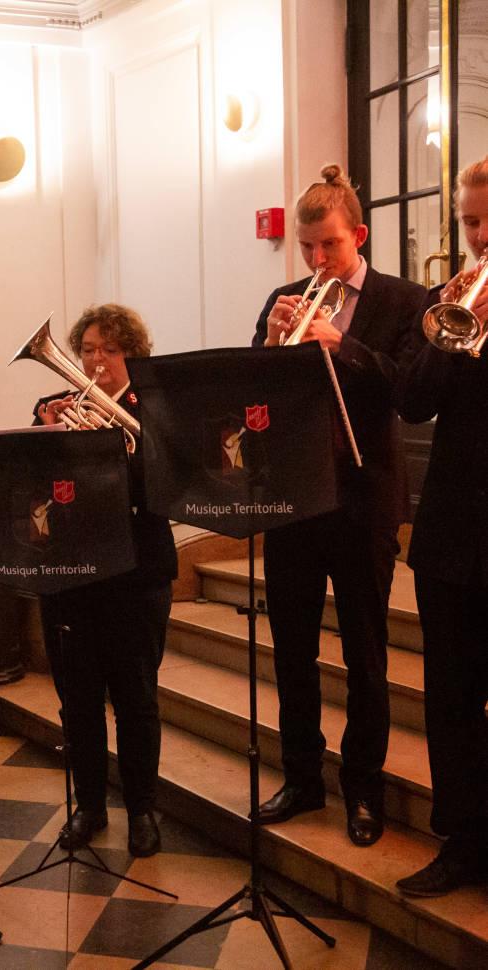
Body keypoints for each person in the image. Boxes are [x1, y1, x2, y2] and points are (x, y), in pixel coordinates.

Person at [251, 166, 426, 846]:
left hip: (363, 499)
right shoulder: (286, 296)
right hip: (296, 498)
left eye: (329, 246)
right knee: (291, 649)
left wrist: (340, 344)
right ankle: (301, 778)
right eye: (306, 248)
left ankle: (363, 791)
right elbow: (256, 403)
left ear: (358, 234)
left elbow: (409, 391)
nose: (317, 261)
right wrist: (270, 343)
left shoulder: (402, 299)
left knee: (366, 653)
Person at [34, 303, 176, 857]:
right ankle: (89, 806)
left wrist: (111, 447)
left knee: (137, 699)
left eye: (109, 351)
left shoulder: (155, 411)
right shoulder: (55, 410)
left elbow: (162, 487)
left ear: (132, 358)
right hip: (71, 577)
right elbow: (41, 487)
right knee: (79, 702)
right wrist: (52, 436)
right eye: (88, 350)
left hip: (138, 577)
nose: (96, 361)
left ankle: (142, 809)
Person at [395, 156, 488, 897]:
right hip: (453, 532)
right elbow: (413, 405)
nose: (480, 236)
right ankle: (461, 843)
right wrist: (445, 334)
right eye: (471, 222)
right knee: (450, 700)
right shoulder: (449, 303)